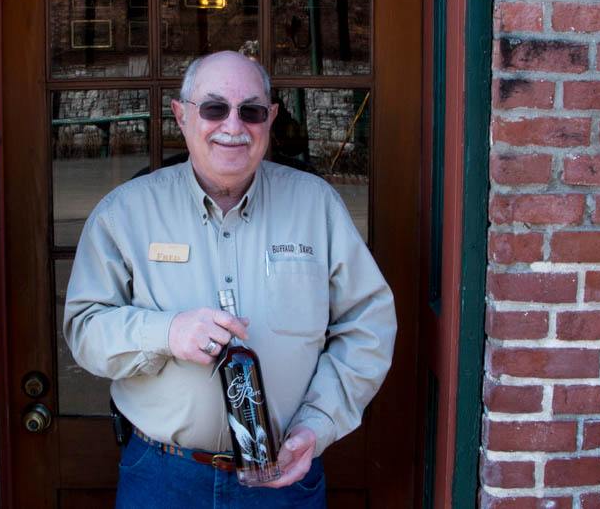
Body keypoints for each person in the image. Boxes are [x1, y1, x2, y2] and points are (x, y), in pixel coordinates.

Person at [63, 50, 397, 508]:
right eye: (214, 108)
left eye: (252, 111)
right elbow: (85, 330)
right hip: (163, 477)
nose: (233, 126)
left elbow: (369, 325)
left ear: (271, 118)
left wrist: (317, 423)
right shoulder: (125, 213)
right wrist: (166, 331)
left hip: (283, 477)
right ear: (181, 116)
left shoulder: (316, 206)